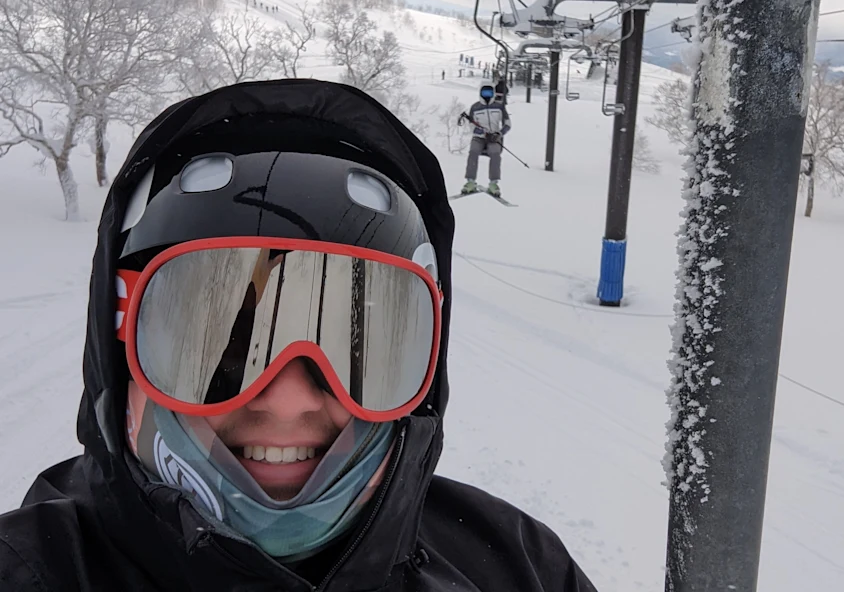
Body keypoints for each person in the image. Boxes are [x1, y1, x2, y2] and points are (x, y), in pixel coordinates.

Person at [0, 79, 595, 591]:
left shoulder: (519, 568)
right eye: (218, 347)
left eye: (359, 347)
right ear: (118, 345)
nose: (288, 400)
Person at [460, 84, 511, 198]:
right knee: (473, 151)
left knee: (495, 153)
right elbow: (471, 126)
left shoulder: (499, 107)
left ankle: (493, 183)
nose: (487, 96)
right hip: (479, 137)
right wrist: (482, 133)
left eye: (489, 93)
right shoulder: (475, 107)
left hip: (494, 137)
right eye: (485, 93)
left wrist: (499, 134)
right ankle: (470, 181)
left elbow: (508, 124)